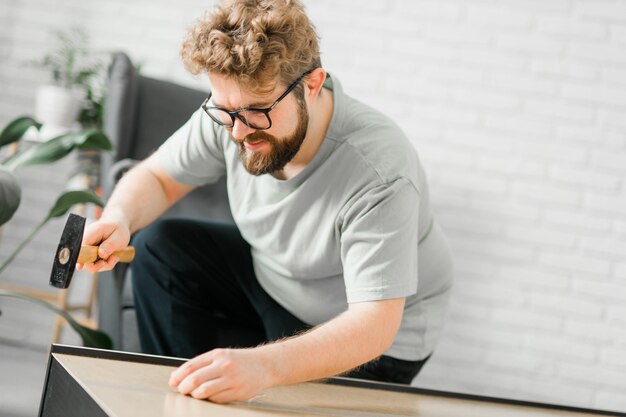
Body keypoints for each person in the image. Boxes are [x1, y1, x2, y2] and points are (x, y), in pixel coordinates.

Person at [80, 0, 454, 404]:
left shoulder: (378, 170)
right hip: (277, 278)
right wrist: (119, 218)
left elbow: (374, 326)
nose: (239, 132)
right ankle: (184, 399)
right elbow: (156, 177)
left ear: (313, 84)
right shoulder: (231, 116)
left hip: (371, 336)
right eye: (226, 111)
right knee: (161, 245)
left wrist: (265, 366)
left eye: (259, 111)